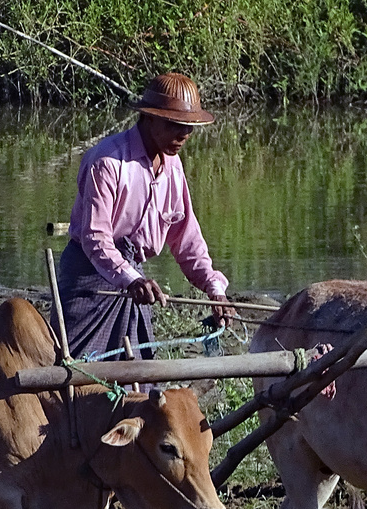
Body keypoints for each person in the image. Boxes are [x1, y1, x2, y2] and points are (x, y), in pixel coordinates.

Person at [56, 73, 236, 363]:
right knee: (74, 370)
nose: (184, 135)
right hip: (90, 282)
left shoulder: (173, 169)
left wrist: (215, 290)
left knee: (139, 382)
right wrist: (130, 279)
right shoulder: (107, 162)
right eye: (174, 125)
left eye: (189, 128)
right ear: (149, 119)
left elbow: (188, 242)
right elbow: (95, 238)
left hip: (135, 283)